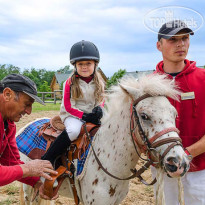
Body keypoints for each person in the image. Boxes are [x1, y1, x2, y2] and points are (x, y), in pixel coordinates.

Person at [152, 19, 205, 205]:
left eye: (184, 38)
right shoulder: (149, 85)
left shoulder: (203, 80)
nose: (181, 44)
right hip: (162, 169)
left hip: (200, 171)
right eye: (173, 40)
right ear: (159, 45)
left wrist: (187, 154)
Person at [41, 40, 105, 167]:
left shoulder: (100, 82)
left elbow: (101, 100)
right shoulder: (69, 83)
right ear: (75, 65)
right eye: (80, 64)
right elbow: (68, 106)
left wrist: (99, 109)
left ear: (95, 64)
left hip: (92, 114)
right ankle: (50, 157)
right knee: (73, 131)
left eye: (88, 63)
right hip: (73, 115)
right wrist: (84, 116)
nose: (84, 67)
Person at [0, 73, 58, 200]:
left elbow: (11, 162)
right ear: (7, 94)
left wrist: (37, 183)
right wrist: (28, 168)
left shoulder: (8, 125)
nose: (29, 111)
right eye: (27, 104)